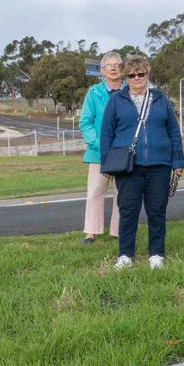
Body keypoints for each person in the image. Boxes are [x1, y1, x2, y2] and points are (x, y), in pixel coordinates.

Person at [99, 55, 184, 271]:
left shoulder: (160, 98)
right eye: (132, 75)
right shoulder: (116, 101)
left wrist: (178, 160)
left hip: (160, 164)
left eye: (141, 74)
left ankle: (156, 253)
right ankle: (125, 254)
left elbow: (173, 131)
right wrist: (106, 165)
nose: (137, 78)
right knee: (127, 210)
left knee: (157, 210)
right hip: (128, 166)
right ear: (126, 76)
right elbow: (106, 135)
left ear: (147, 74)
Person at [78, 51, 124, 245]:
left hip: (123, 152)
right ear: (102, 71)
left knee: (122, 193)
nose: (113, 68)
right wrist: (98, 143)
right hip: (98, 153)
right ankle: (91, 232)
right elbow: (85, 122)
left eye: (117, 64)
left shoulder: (130, 90)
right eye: (109, 65)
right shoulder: (94, 93)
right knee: (96, 191)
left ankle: (118, 231)